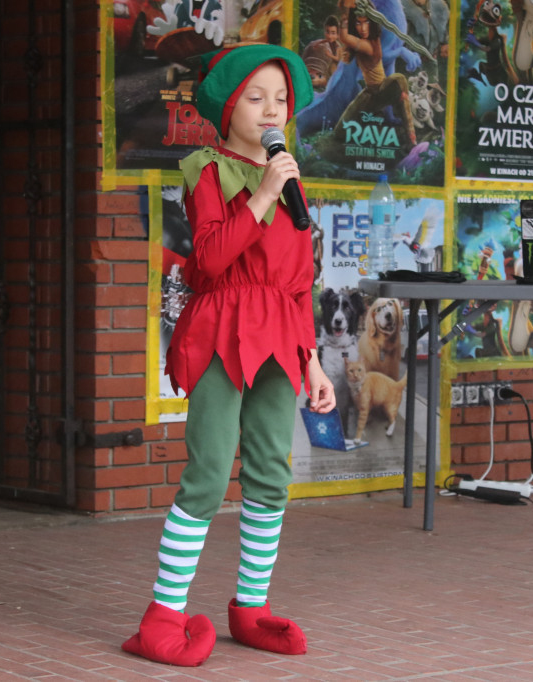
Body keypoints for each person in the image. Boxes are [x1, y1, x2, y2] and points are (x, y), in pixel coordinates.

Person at [121, 43, 336, 667]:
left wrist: (313, 360)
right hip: (223, 328)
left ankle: (251, 608)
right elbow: (211, 259)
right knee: (210, 472)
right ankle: (162, 615)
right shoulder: (206, 169)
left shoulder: (291, 179)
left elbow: (300, 280)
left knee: (271, 472)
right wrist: (264, 193)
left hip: (281, 337)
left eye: (281, 99)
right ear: (228, 106)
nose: (272, 110)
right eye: (256, 97)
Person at [334, 6, 418, 147]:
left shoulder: (369, 44)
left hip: (382, 90)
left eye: (366, 22)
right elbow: (348, 45)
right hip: (369, 93)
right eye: (358, 23)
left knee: (399, 79)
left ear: (371, 23)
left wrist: (344, 19)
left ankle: (411, 137)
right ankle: (370, 133)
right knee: (340, 132)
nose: (363, 28)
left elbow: (345, 37)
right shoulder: (363, 42)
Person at [302, 15, 342, 89]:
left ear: (338, 35)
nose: (329, 36)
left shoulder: (337, 47)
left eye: (333, 33)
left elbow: (338, 60)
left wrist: (330, 55)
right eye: (327, 32)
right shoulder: (320, 44)